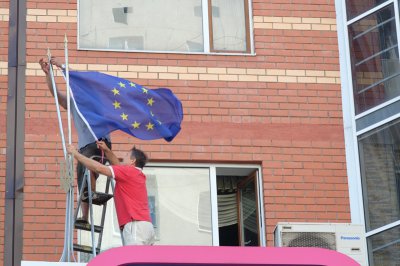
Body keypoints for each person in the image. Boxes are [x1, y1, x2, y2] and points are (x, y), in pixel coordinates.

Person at [39, 57, 112, 225]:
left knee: (85, 166)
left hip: (99, 143)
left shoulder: (96, 101)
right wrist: (49, 74)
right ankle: (85, 216)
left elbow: (81, 83)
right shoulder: (75, 103)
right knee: (84, 173)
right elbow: (57, 95)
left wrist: (62, 66)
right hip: (85, 146)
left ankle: (88, 206)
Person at [67, 141, 156, 245]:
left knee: (134, 259)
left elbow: (98, 168)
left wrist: (75, 154)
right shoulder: (137, 174)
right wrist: (107, 151)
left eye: (127, 155)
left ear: (133, 161)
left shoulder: (128, 172)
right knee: (144, 260)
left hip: (135, 225)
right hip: (147, 227)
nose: (123, 157)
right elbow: (118, 165)